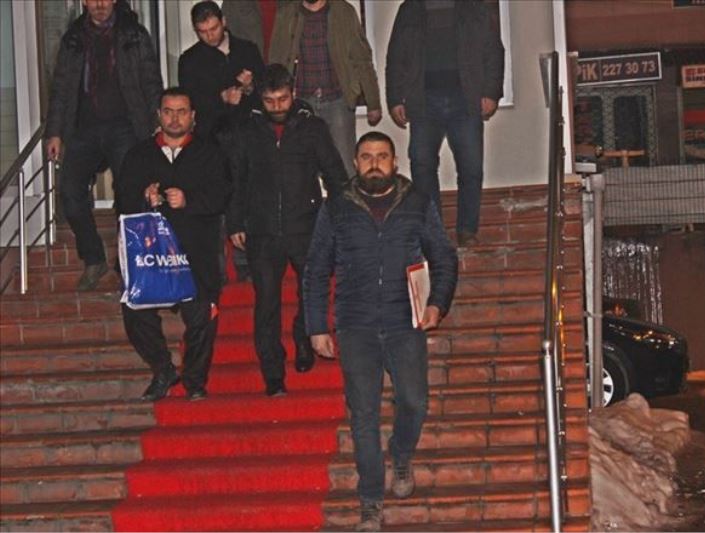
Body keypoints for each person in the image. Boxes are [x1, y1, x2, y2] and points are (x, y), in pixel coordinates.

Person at [303, 131, 458, 532]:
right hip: (355, 325)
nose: (374, 163)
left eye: (382, 156)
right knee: (363, 416)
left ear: (394, 162)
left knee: (415, 402)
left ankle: (401, 453)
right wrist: (317, 326)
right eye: (367, 156)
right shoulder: (336, 206)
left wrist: (437, 303)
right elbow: (316, 268)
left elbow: (443, 256)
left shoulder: (417, 201)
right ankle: (370, 500)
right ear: (356, 163)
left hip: (405, 321)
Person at [227, 63, 348, 396]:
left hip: (306, 225)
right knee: (266, 303)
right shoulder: (247, 129)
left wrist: (339, 219)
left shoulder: (312, 127)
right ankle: (273, 373)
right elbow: (237, 178)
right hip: (262, 229)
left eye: (282, 99)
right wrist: (235, 222)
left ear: (293, 93)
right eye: (270, 101)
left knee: (310, 292)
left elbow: (335, 175)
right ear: (260, 98)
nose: (277, 106)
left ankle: (304, 340)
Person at [116, 87, 231, 402]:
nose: (175, 118)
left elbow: (223, 194)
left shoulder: (210, 152)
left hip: (196, 253)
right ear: (159, 115)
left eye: (181, 112)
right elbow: (121, 199)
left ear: (193, 116)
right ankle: (163, 369)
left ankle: (195, 381)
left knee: (202, 317)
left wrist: (188, 201)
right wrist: (144, 198)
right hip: (149, 256)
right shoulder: (139, 154)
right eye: (168, 111)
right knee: (134, 312)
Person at [45, 0, 163, 291]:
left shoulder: (134, 34)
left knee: (129, 195)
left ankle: (127, 261)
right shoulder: (73, 38)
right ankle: (93, 258)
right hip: (83, 128)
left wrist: (157, 121)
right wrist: (54, 132)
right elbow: (60, 88)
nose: (99, 4)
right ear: (84, 2)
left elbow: (151, 82)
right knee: (70, 192)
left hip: (125, 126)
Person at [386, 0, 504, 247]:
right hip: (423, 101)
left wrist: (491, 92)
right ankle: (434, 233)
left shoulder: (475, 7)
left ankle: (467, 231)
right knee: (422, 167)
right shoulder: (409, 9)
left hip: (466, 99)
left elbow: (494, 52)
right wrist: (395, 98)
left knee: (471, 168)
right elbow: (395, 57)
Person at [269, 0, 382, 177]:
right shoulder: (287, 14)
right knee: (302, 168)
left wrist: (373, 101)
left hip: (338, 100)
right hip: (301, 103)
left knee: (344, 165)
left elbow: (362, 59)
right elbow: (276, 58)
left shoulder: (343, 12)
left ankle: (348, 196)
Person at [178, 1, 267, 143]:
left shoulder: (248, 50)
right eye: (202, 32)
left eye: (214, 28)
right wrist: (222, 98)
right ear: (195, 30)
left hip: (249, 136)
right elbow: (188, 102)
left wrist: (250, 87)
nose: (210, 36)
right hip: (210, 139)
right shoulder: (189, 60)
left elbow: (266, 91)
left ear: (223, 21)